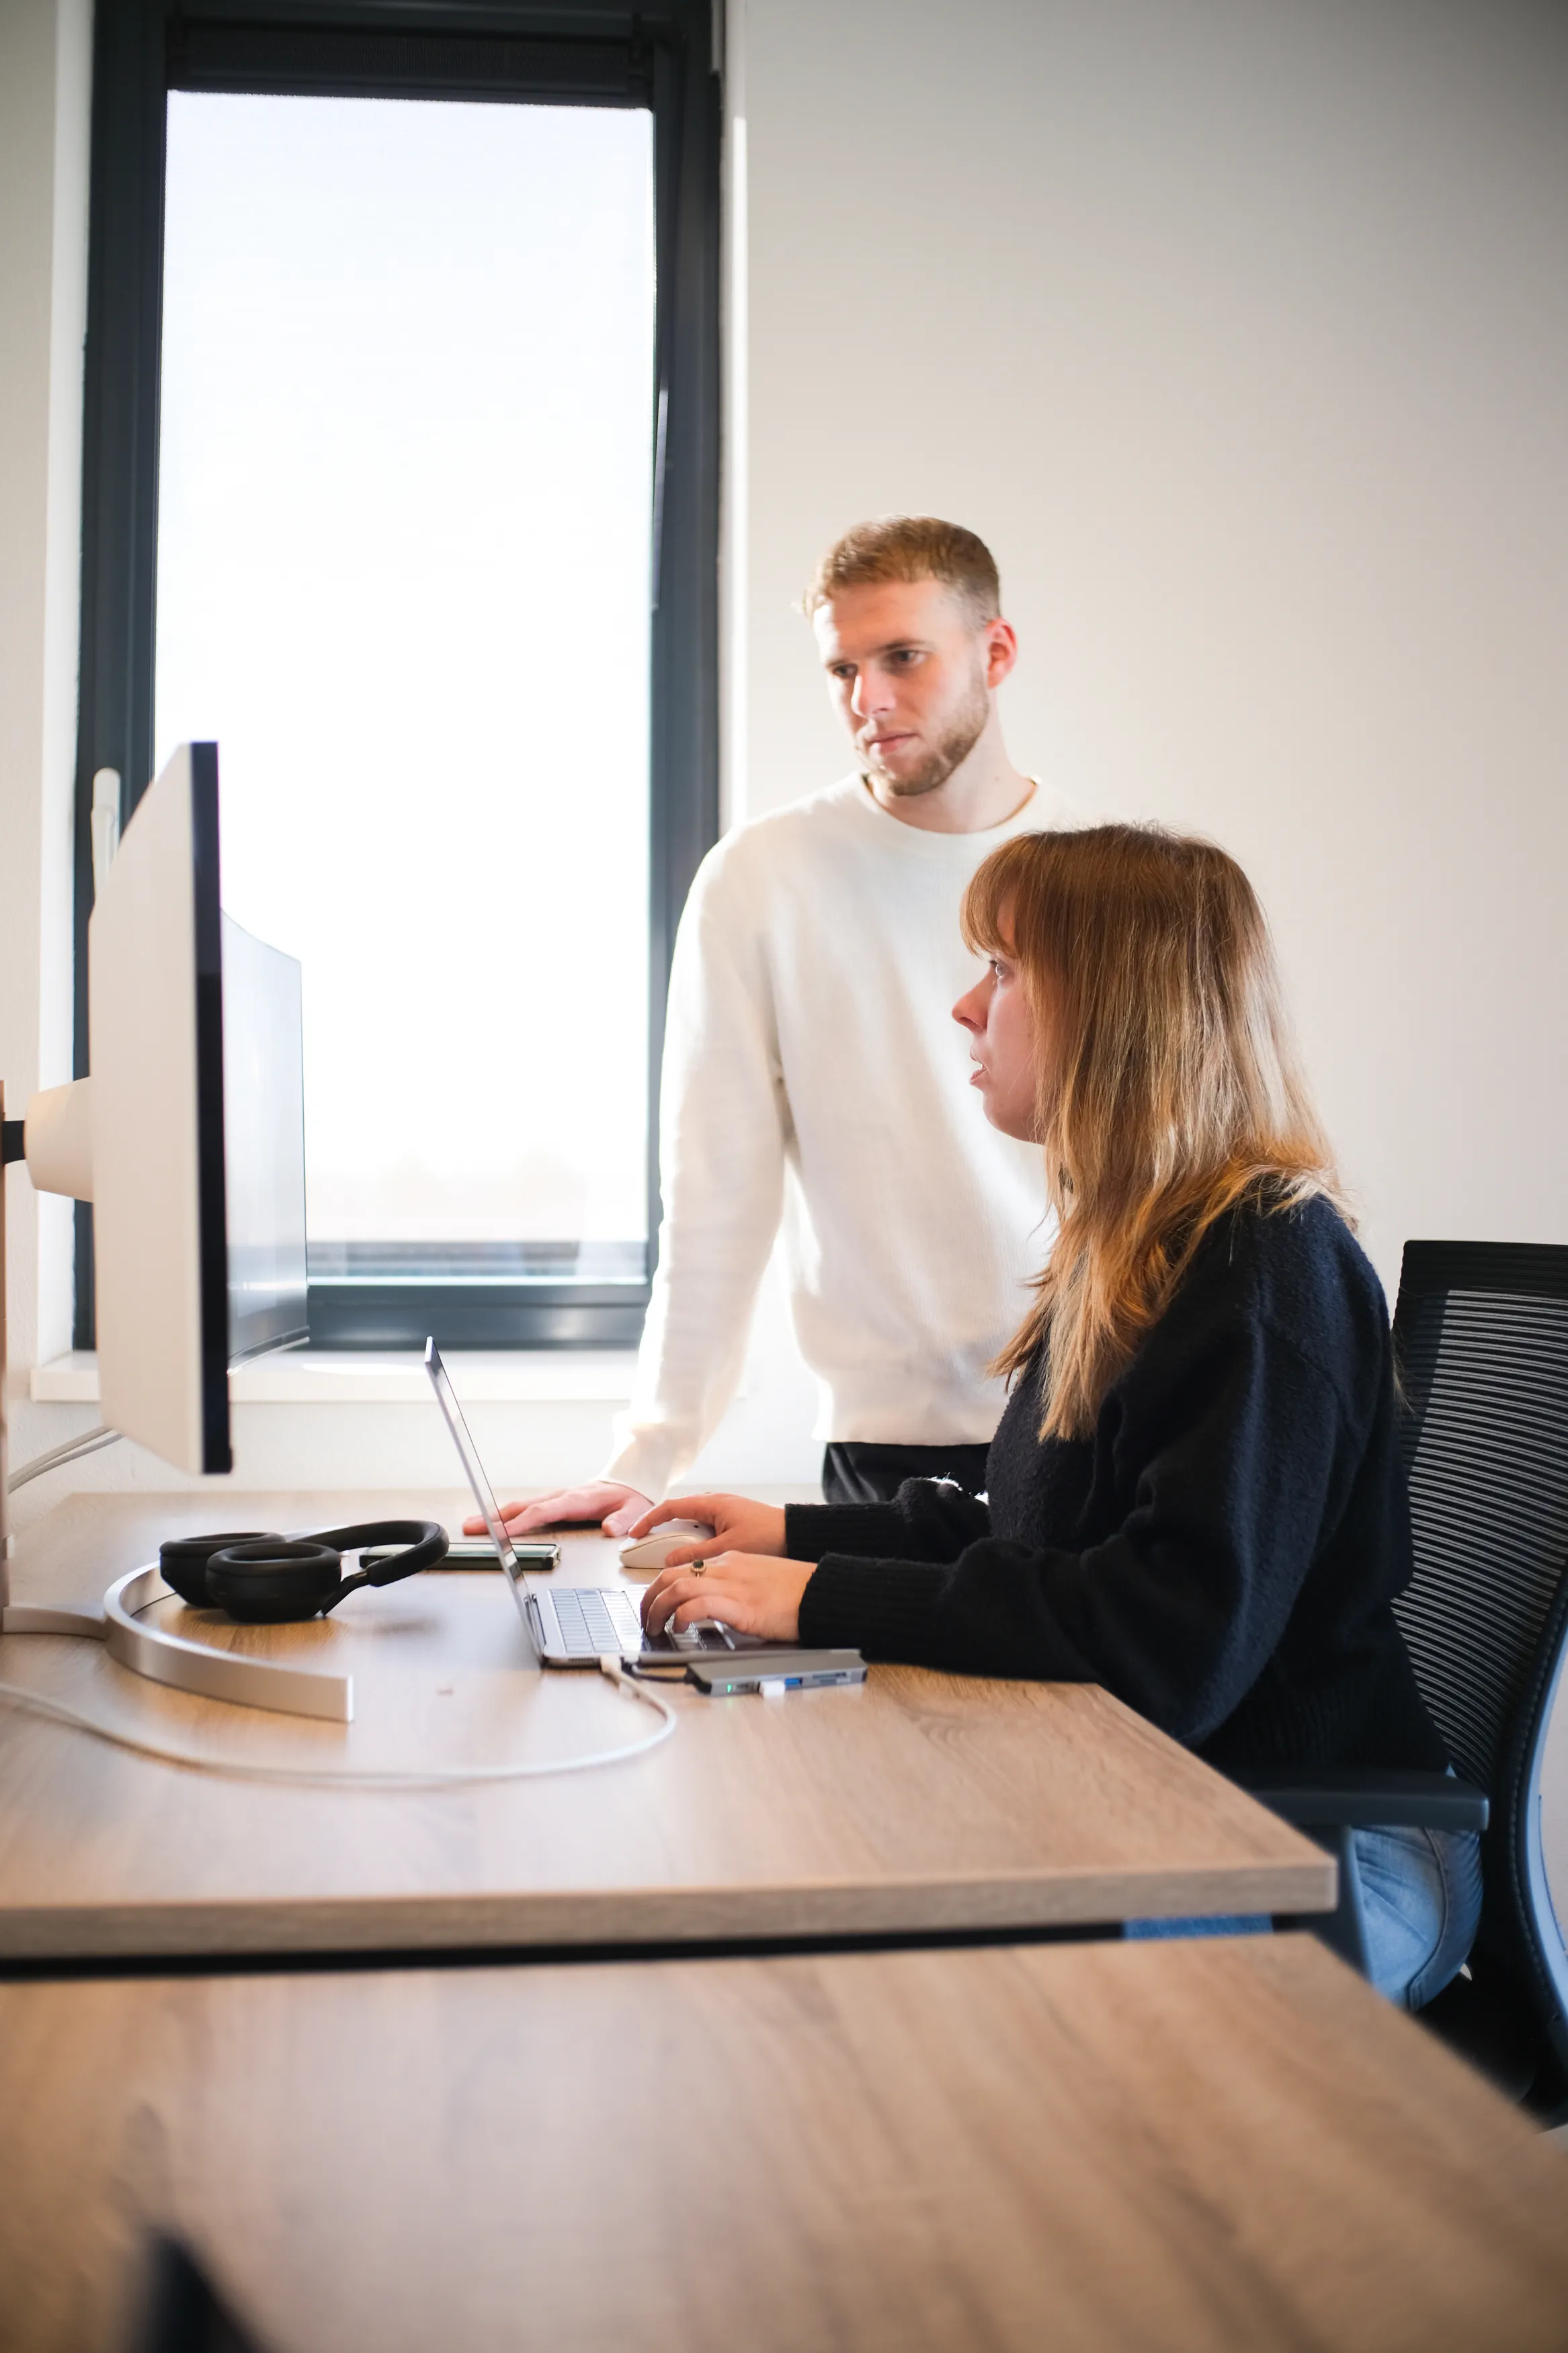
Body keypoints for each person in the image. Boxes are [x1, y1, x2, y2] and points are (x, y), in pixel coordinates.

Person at [632, 823, 1481, 2009]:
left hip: (1332, 1855)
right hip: (1182, 1798)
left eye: (1006, 971)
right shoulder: (1133, 1245)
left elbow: (1165, 1643)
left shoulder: (1264, 1265)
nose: (966, 1009)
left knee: (917, 1982)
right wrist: (788, 1538)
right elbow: (1033, 1538)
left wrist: (825, 1602)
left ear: (1117, 1008)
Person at [478, 516, 1084, 1541]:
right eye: (843, 669)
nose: (869, 701)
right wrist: (646, 1460)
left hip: (1082, 1428)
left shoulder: (1094, 872)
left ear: (996, 652)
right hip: (882, 1456)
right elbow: (716, 1198)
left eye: (903, 658)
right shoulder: (760, 880)